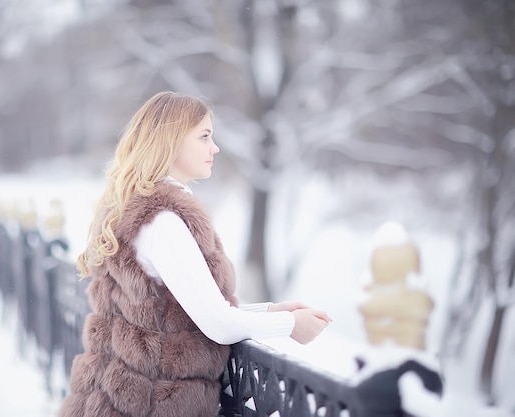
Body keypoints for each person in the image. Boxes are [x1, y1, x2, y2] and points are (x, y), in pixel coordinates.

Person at [59, 91, 332, 417]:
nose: (214, 148)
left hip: (115, 398)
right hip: (151, 404)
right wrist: (289, 325)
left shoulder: (131, 210)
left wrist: (270, 310)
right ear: (172, 140)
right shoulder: (163, 222)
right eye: (204, 136)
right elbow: (218, 324)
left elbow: (187, 310)